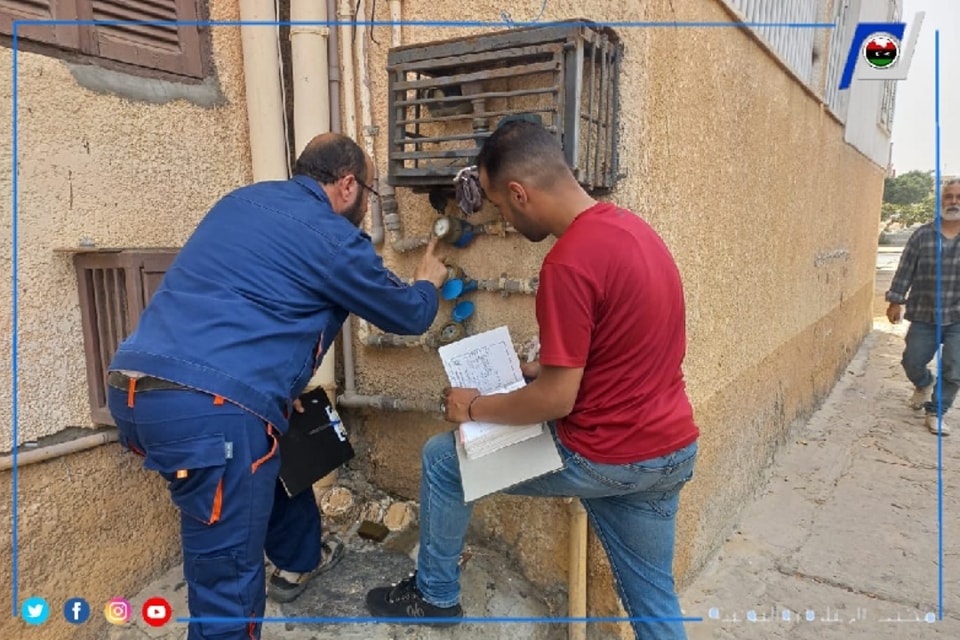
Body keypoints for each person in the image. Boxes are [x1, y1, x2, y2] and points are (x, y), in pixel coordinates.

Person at [365, 120, 700, 640]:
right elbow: (627, 345)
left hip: (607, 454)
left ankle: (435, 596)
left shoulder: (568, 264)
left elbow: (556, 401)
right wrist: (538, 370)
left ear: (520, 193)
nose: (505, 217)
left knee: (443, 460)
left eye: (501, 206)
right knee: (654, 601)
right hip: (671, 449)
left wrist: (473, 407)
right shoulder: (635, 232)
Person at [106, 132, 448, 640]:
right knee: (226, 584)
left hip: (133, 390)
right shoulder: (333, 237)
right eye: (371, 194)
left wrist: (268, 393)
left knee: (270, 446)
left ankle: (298, 559)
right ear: (348, 185)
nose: (367, 209)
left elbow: (244, 301)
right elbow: (407, 314)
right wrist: (426, 282)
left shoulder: (240, 202)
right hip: (208, 411)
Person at [886, 178, 960, 436]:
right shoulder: (922, 235)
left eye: (958, 197)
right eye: (949, 196)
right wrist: (895, 301)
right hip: (924, 313)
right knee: (912, 361)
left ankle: (936, 412)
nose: (954, 202)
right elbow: (905, 268)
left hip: (958, 317)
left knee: (955, 368)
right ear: (941, 201)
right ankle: (924, 382)